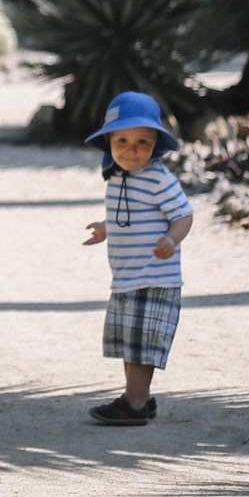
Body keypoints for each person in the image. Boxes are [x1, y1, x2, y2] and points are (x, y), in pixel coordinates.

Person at [79, 90, 193, 426]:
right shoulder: (116, 176)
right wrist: (106, 228)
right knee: (131, 341)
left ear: (156, 143)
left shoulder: (158, 178)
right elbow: (125, 218)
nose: (132, 150)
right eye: (123, 141)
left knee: (143, 343)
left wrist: (172, 238)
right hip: (127, 277)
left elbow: (184, 215)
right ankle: (138, 396)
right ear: (109, 142)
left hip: (155, 277)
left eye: (143, 142)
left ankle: (134, 403)